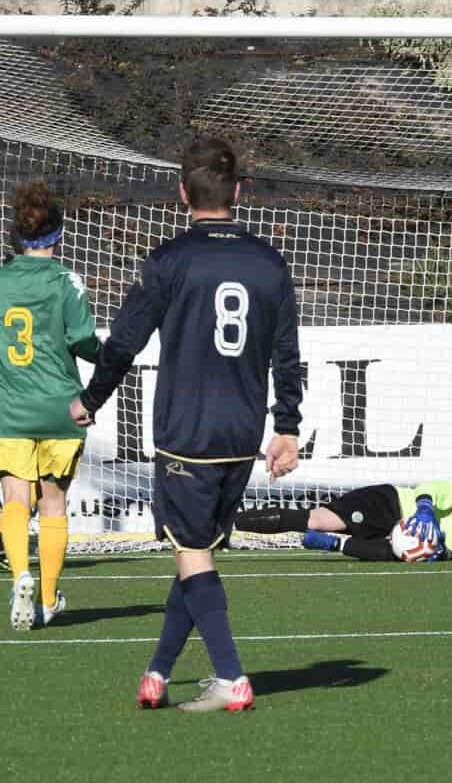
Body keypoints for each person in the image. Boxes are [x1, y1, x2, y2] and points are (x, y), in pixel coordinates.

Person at [70, 136, 303, 711]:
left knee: (192, 553)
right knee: (192, 551)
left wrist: (91, 397)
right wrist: (288, 427)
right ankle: (158, 672)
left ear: (181, 193)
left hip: (187, 433)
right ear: (239, 192)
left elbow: (124, 341)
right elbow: (287, 353)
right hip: (242, 435)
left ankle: (231, 676)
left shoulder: (170, 260)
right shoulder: (270, 262)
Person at [0, 180, 101, 630]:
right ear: (58, 234)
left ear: (16, 237)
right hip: (61, 408)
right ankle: (46, 599)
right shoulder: (66, 281)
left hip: (10, 407)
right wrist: (112, 359)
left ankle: (20, 571)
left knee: (14, 498)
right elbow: (82, 340)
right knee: (54, 503)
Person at [233, 471, 452, 562]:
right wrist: (425, 511)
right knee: (316, 519)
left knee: (405, 555)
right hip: (389, 503)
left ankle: (332, 545)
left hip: (397, 538)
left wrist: (440, 549)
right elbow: (431, 487)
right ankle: (229, 523)